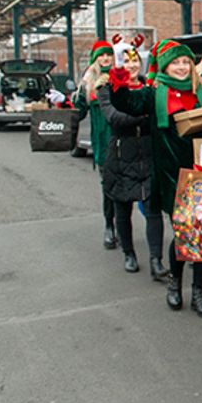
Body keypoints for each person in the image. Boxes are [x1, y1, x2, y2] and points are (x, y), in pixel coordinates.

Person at [109, 39, 202, 317]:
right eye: (176, 62)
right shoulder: (154, 92)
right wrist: (122, 73)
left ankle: (199, 292)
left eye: (185, 62)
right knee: (185, 233)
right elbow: (126, 102)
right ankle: (175, 284)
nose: (182, 67)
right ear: (165, 66)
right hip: (171, 175)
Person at [98, 36, 168, 279]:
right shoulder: (107, 89)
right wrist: (142, 118)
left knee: (152, 208)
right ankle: (128, 253)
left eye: (135, 60)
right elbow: (114, 117)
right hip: (121, 153)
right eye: (125, 61)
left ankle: (156, 260)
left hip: (148, 153)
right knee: (122, 207)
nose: (131, 65)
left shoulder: (151, 87)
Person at [75, 40, 119, 250]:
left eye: (108, 55)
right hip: (102, 143)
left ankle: (120, 225)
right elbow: (79, 111)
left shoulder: (119, 78)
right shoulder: (88, 82)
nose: (105, 59)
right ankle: (109, 226)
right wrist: (72, 97)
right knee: (108, 186)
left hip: (121, 138)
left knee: (122, 185)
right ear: (95, 58)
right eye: (101, 55)